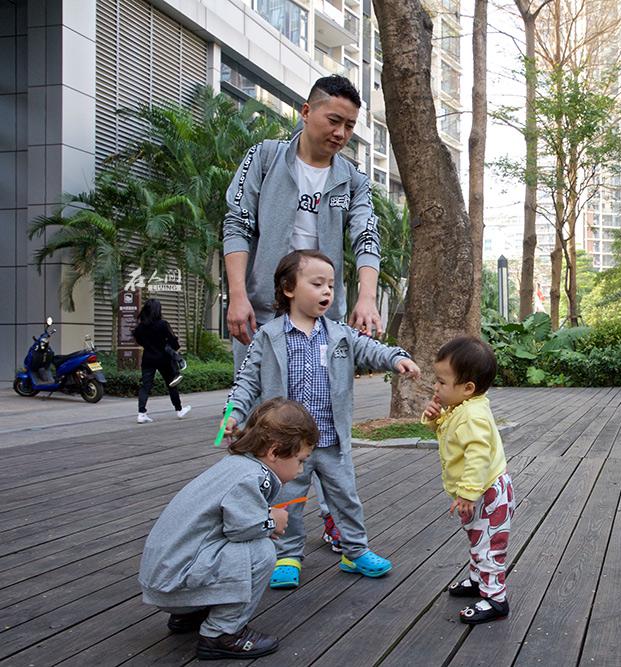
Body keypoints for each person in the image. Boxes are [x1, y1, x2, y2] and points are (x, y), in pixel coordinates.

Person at [223, 74, 380, 550]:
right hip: (263, 313)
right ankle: (257, 519)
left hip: (323, 322)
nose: (341, 133)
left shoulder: (351, 179)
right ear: (306, 112)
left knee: (325, 421)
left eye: (350, 126)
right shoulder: (266, 157)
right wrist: (237, 295)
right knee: (258, 418)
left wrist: (366, 297)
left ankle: (335, 520)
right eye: (334, 120)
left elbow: (367, 238)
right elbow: (237, 222)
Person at [224, 249, 421, 589]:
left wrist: (397, 358)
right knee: (289, 500)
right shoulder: (268, 337)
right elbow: (245, 382)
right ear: (289, 288)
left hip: (331, 441)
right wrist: (233, 415)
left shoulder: (339, 334)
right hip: (287, 446)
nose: (327, 291)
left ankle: (354, 551)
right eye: (317, 284)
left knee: (345, 497)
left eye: (331, 285)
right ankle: (287, 555)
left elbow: (371, 348)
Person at [138, 398, 318, 660]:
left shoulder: (234, 466)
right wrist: (272, 521)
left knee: (234, 547)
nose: (301, 469)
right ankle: (221, 634)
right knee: (262, 552)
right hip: (174, 585)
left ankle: (190, 615)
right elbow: (242, 531)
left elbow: (225, 518)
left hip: (164, 577)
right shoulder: (252, 477)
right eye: (300, 460)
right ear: (275, 452)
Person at [422, 336, 513, 624]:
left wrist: (468, 494)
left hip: (486, 493)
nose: (435, 387)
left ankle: (495, 599)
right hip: (480, 492)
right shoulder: (463, 408)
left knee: (488, 546)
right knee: (478, 540)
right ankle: (478, 582)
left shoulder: (472, 415)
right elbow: (452, 434)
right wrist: (435, 419)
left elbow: (478, 455)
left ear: (467, 388)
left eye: (441, 382)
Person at [132, 298, 191, 423]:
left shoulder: (140, 328)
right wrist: (173, 348)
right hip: (163, 358)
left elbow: (139, 340)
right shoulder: (163, 324)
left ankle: (141, 414)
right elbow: (173, 341)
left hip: (148, 358)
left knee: (145, 386)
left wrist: (149, 347)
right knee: (171, 384)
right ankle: (179, 410)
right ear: (157, 310)